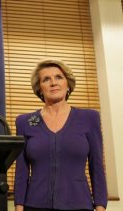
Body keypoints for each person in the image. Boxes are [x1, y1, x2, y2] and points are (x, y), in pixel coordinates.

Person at [14, 60, 107, 211]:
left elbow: (96, 167)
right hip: (35, 205)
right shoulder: (24, 122)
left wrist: (100, 206)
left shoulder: (90, 118)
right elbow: (21, 170)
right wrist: (19, 207)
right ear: (39, 88)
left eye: (59, 77)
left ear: (67, 84)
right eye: (46, 79)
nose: (53, 83)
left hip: (79, 205)